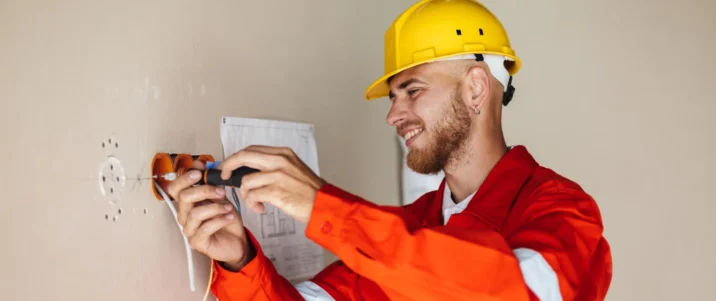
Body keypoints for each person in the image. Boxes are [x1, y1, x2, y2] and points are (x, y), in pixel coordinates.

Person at [167, 0, 613, 300]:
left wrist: (323, 205)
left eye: (412, 90)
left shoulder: (565, 213)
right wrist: (240, 259)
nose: (393, 116)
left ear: (476, 89)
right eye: (393, 97)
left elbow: (507, 291)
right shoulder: (409, 228)